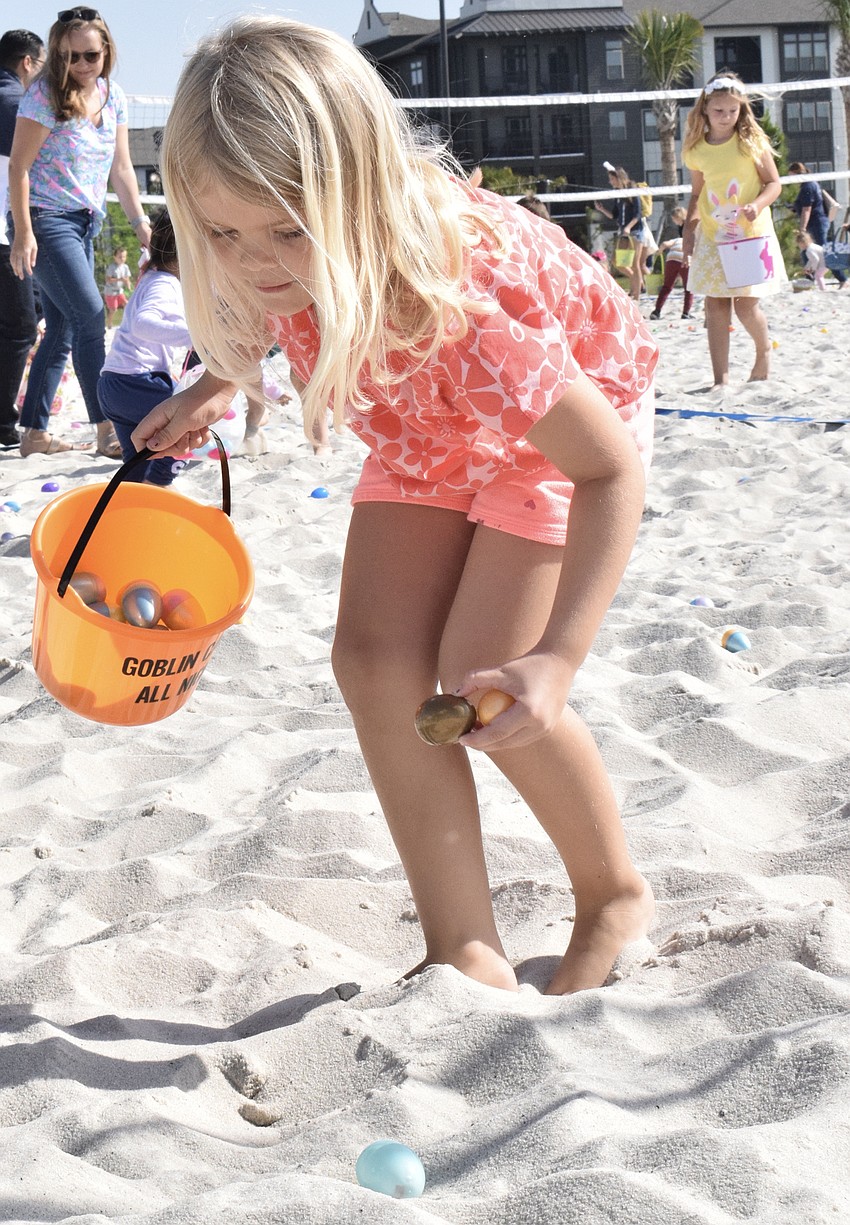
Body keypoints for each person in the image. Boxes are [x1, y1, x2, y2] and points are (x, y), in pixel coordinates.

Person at [132, 17, 658, 996]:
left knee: (480, 676)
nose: (254, 261)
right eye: (221, 233)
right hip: (427, 420)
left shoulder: (466, 305)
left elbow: (607, 470)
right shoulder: (277, 254)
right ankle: (463, 942)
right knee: (374, 659)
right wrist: (217, 384)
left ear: (358, 188)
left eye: (287, 229)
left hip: (552, 423)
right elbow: (268, 306)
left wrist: (558, 657)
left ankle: (611, 891)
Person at [8, 8, 152, 457]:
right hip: (46, 221)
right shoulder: (44, 96)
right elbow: (19, 167)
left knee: (64, 327)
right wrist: (24, 233)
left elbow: (123, 168)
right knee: (91, 317)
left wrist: (140, 222)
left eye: (91, 55)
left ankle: (33, 432)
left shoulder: (114, 96)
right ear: (57, 55)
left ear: (106, 50)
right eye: (70, 57)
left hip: (88, 221)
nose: (82, 65)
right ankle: (107, 429)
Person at [681, 72, 785, 386]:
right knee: (714, 304)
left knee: (745, 305)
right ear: (705, 109)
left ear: (741, 110)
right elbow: (698, 194)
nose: (726, 117)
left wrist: (757, 205)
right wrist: (689, 228)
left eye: (733, 111)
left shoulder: (750, 143)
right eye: (719, 111)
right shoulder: (695, 150)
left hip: (750, 234)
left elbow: (774, 183)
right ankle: (720, 379)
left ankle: (763, 349)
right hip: (714, 234)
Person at [97, 209, 193, 484]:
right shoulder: (164, 282)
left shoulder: (151, 276)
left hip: (113, 385)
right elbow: (143, 323)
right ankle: (158, 489)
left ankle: (133, 505)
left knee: (137, 464)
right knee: (183, 434)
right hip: (136, 382)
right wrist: (196, 337)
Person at [0, 29, 44, 449]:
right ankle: (1, 425)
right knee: (19, 327)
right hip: (4, 233)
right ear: (28, 62)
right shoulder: (16, 104)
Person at [595, 166, 650, 301]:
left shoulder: (632, 191)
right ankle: (638, 283)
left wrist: (629, 228)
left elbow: (638, 214)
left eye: (612, 179)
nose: (610, 182)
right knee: (617, 262)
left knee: (634, 264)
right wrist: (602, 210)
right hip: (623, 232)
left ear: (619, 178)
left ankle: (636, 296)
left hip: (636, 231)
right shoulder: (617, 193)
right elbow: (614, 215)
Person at [788, 161, 846, 288]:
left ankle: (841, 278)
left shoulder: (807, 186)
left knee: (821, 252)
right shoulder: (810, 184)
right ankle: (811, 277)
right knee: (809, 251)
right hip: (817, 221)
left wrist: (802, 228)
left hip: (816, 223)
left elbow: (807, 209)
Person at [649, 206, 695, 320]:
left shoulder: (682, 232)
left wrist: (659, 252)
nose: (674, 222)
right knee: (688, 288)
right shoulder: (689, 229)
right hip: (685, 258)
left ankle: (657, 311)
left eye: (674, 219)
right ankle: (685, 313)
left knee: (667, 287)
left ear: (678, 217)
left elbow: (664, 244)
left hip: (671, 259)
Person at [103, 243, 132, 325]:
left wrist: (129, 286)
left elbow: (127, 279)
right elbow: (108, 280)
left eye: (124, 257)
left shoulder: (125, 267)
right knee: (113, 309)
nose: (122, 259)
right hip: (110, 292)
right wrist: (119, 279)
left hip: (120, 291)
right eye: (120, 257)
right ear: (115, 257)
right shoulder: (112, 267)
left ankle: (126, 322)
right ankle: (109, 323)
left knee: (127, 304)